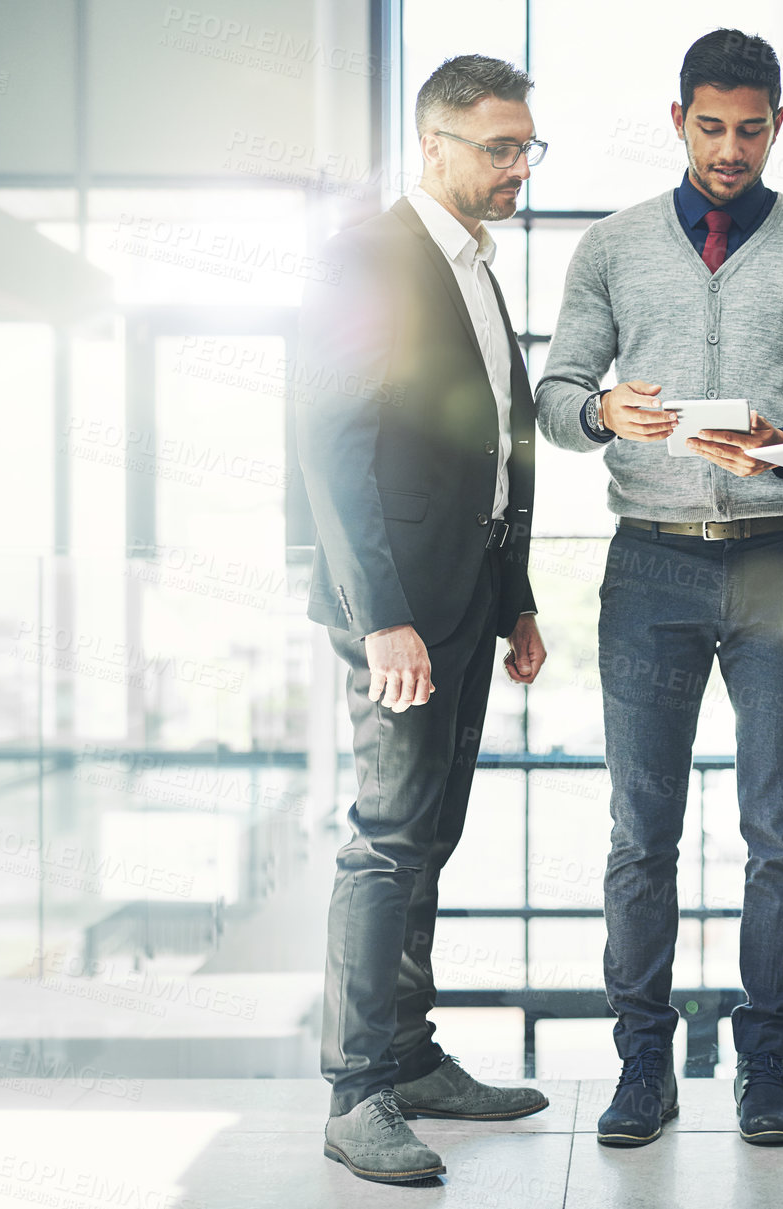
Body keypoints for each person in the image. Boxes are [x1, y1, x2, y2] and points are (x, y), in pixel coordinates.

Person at [536, 28, 783, 1149]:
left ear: (778, 123)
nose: (730, 149)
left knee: (777, 829)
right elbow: (557, 394)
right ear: (677, 119)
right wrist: (604, 415)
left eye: (750, 128)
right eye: (710, 126)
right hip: (651, 562)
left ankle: (765, 1069)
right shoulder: (614, 247)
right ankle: (644, 1067)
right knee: (643, 830)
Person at [295, 54, 552, 1186]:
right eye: (498, 147)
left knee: (430, 837)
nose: (517, 167)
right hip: (398, 613)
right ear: (433, 146)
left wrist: (518, 598)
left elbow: (491, 445)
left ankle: (407, 1053)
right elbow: (333, 447)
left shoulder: (471, 266)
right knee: (389, 840)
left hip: (464, 601)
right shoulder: (373, 256)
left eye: (525, 146)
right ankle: (358, 1093)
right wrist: (383, 618)